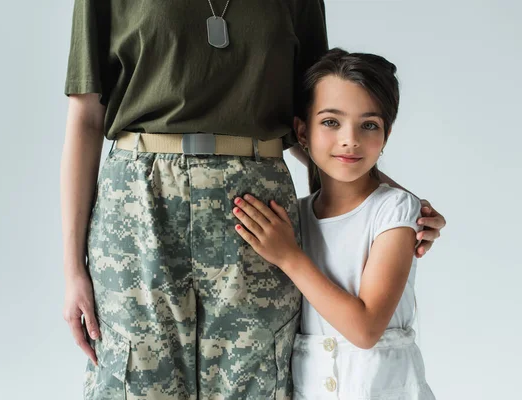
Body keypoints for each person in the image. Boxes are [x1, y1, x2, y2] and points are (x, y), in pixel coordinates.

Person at [60, 1, 445, 398]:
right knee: (135, 380)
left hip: (257, 210)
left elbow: (318, 121)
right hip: (138, 201)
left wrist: (395, 207)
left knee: (254, 381)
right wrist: (73, 270)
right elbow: (86, 119)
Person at [231, 48, 436, 399]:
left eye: (369, 125)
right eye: (331, 122)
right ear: (302, 131)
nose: (350, 139)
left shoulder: (394, 210)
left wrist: (289, 257)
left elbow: (366, 329)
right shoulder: (294, 217)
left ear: (385, 136)